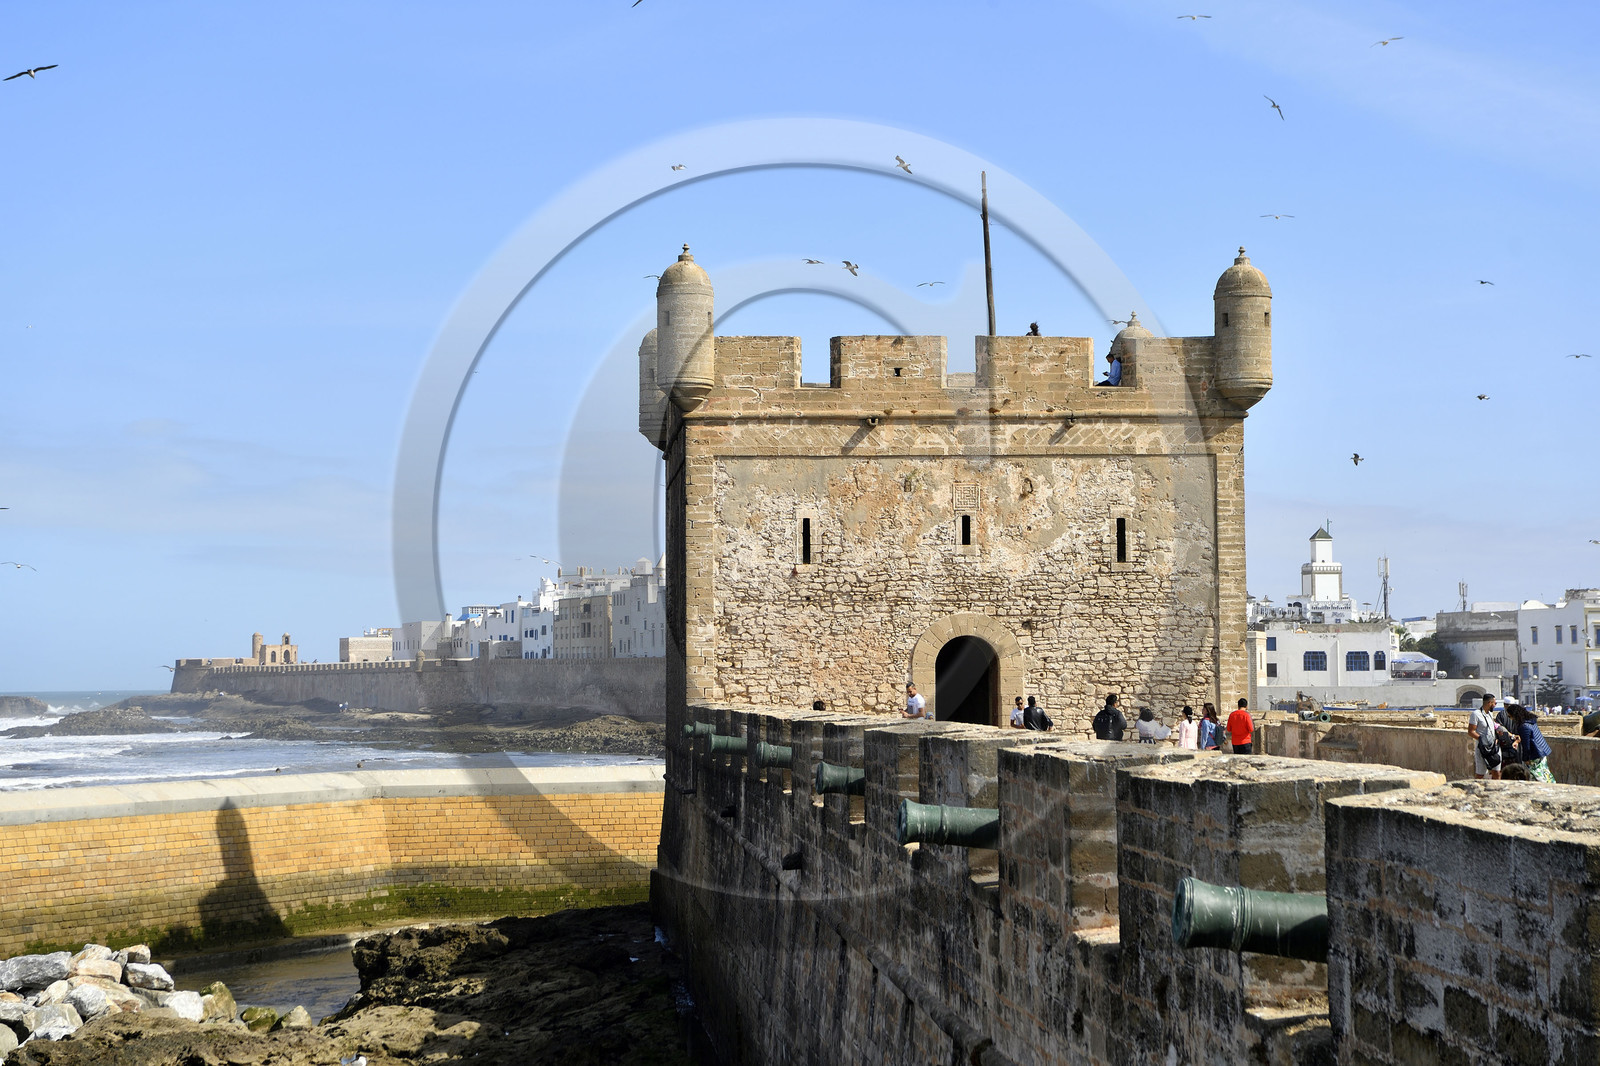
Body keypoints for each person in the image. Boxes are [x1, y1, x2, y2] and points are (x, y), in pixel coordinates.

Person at [1469, 693, 1512, 780]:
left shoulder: (1489, 714)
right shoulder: (1476, 714)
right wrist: (1482, 739)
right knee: (1480, 774)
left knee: (1497, 772)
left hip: (1494, 747)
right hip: (1483, 748)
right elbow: (1471, 731)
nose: (1495, 705)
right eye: (1495, 703)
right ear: (1489, 703)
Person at [1508, 704, 1555, 783]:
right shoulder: (1531, 722)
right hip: (1542, 751)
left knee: (1537, 775)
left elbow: (1526, 745)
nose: (1511, 719)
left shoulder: (1523, 726)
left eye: (1510, 716)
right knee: (1545, 772)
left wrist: (1525, 758)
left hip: (1535, 754)